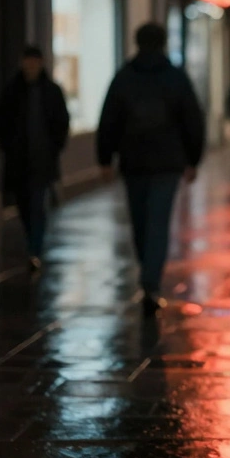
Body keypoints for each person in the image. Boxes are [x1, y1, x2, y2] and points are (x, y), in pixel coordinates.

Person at [97, 23, 205, 314]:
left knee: (140, 220)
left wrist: (105, 159)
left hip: (134, 161)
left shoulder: (125, 77)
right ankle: (151, 281)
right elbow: (192, 119)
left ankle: (148, 273)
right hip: (167, 163)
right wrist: (193, 159)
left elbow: (108, 120)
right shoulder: (175, 78)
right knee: (158, 222)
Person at [0, 46, 70, 271]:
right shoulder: (12, 91)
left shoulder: (51, 91)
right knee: (23, 204)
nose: (31, 65)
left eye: (34, 61)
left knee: (37, 205)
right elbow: (2, 121)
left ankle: (34, 249)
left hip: (42, 160)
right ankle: (32, 242)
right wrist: (7, 145)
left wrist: (54, 147)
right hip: (18, 160)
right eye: (27, 61)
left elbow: (61, 122)